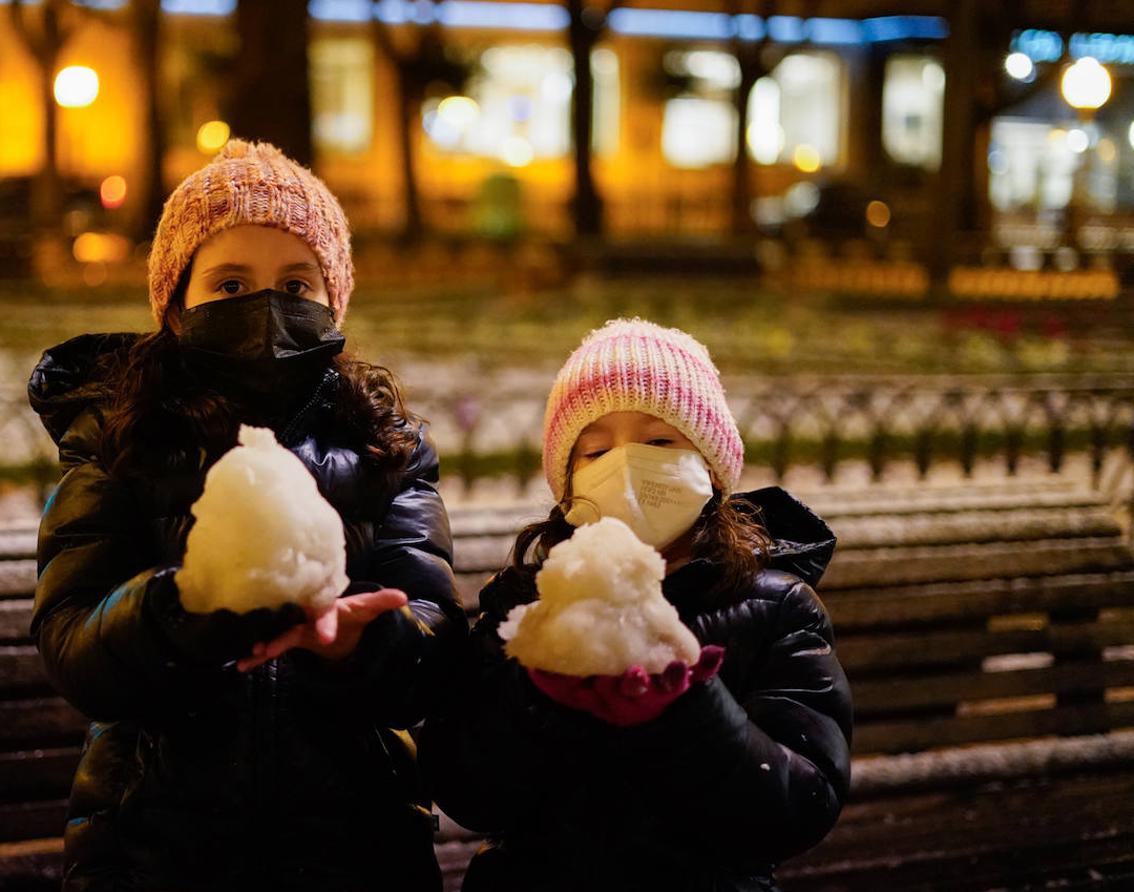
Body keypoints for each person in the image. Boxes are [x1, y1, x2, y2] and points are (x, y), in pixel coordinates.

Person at [28, 140, 466, 892]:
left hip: (355, 844)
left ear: (335, 301)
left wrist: (368, 645)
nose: (267, 310)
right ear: (175, 304)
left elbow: (433, 642)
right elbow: (75, 640)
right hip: (157, 847)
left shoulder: (385, 449)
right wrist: (182, 604)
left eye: (297, 283)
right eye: (230, 284)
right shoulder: (120, 439)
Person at [419, 318, 853, 892]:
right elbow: (468, 789)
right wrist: (533, 699)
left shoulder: (775, 607)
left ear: (710, 464)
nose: (625, 466)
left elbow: (799, 802)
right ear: (567, 487)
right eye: (595, 451)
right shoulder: (525, 603)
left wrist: (690, 713)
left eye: (658, 442)